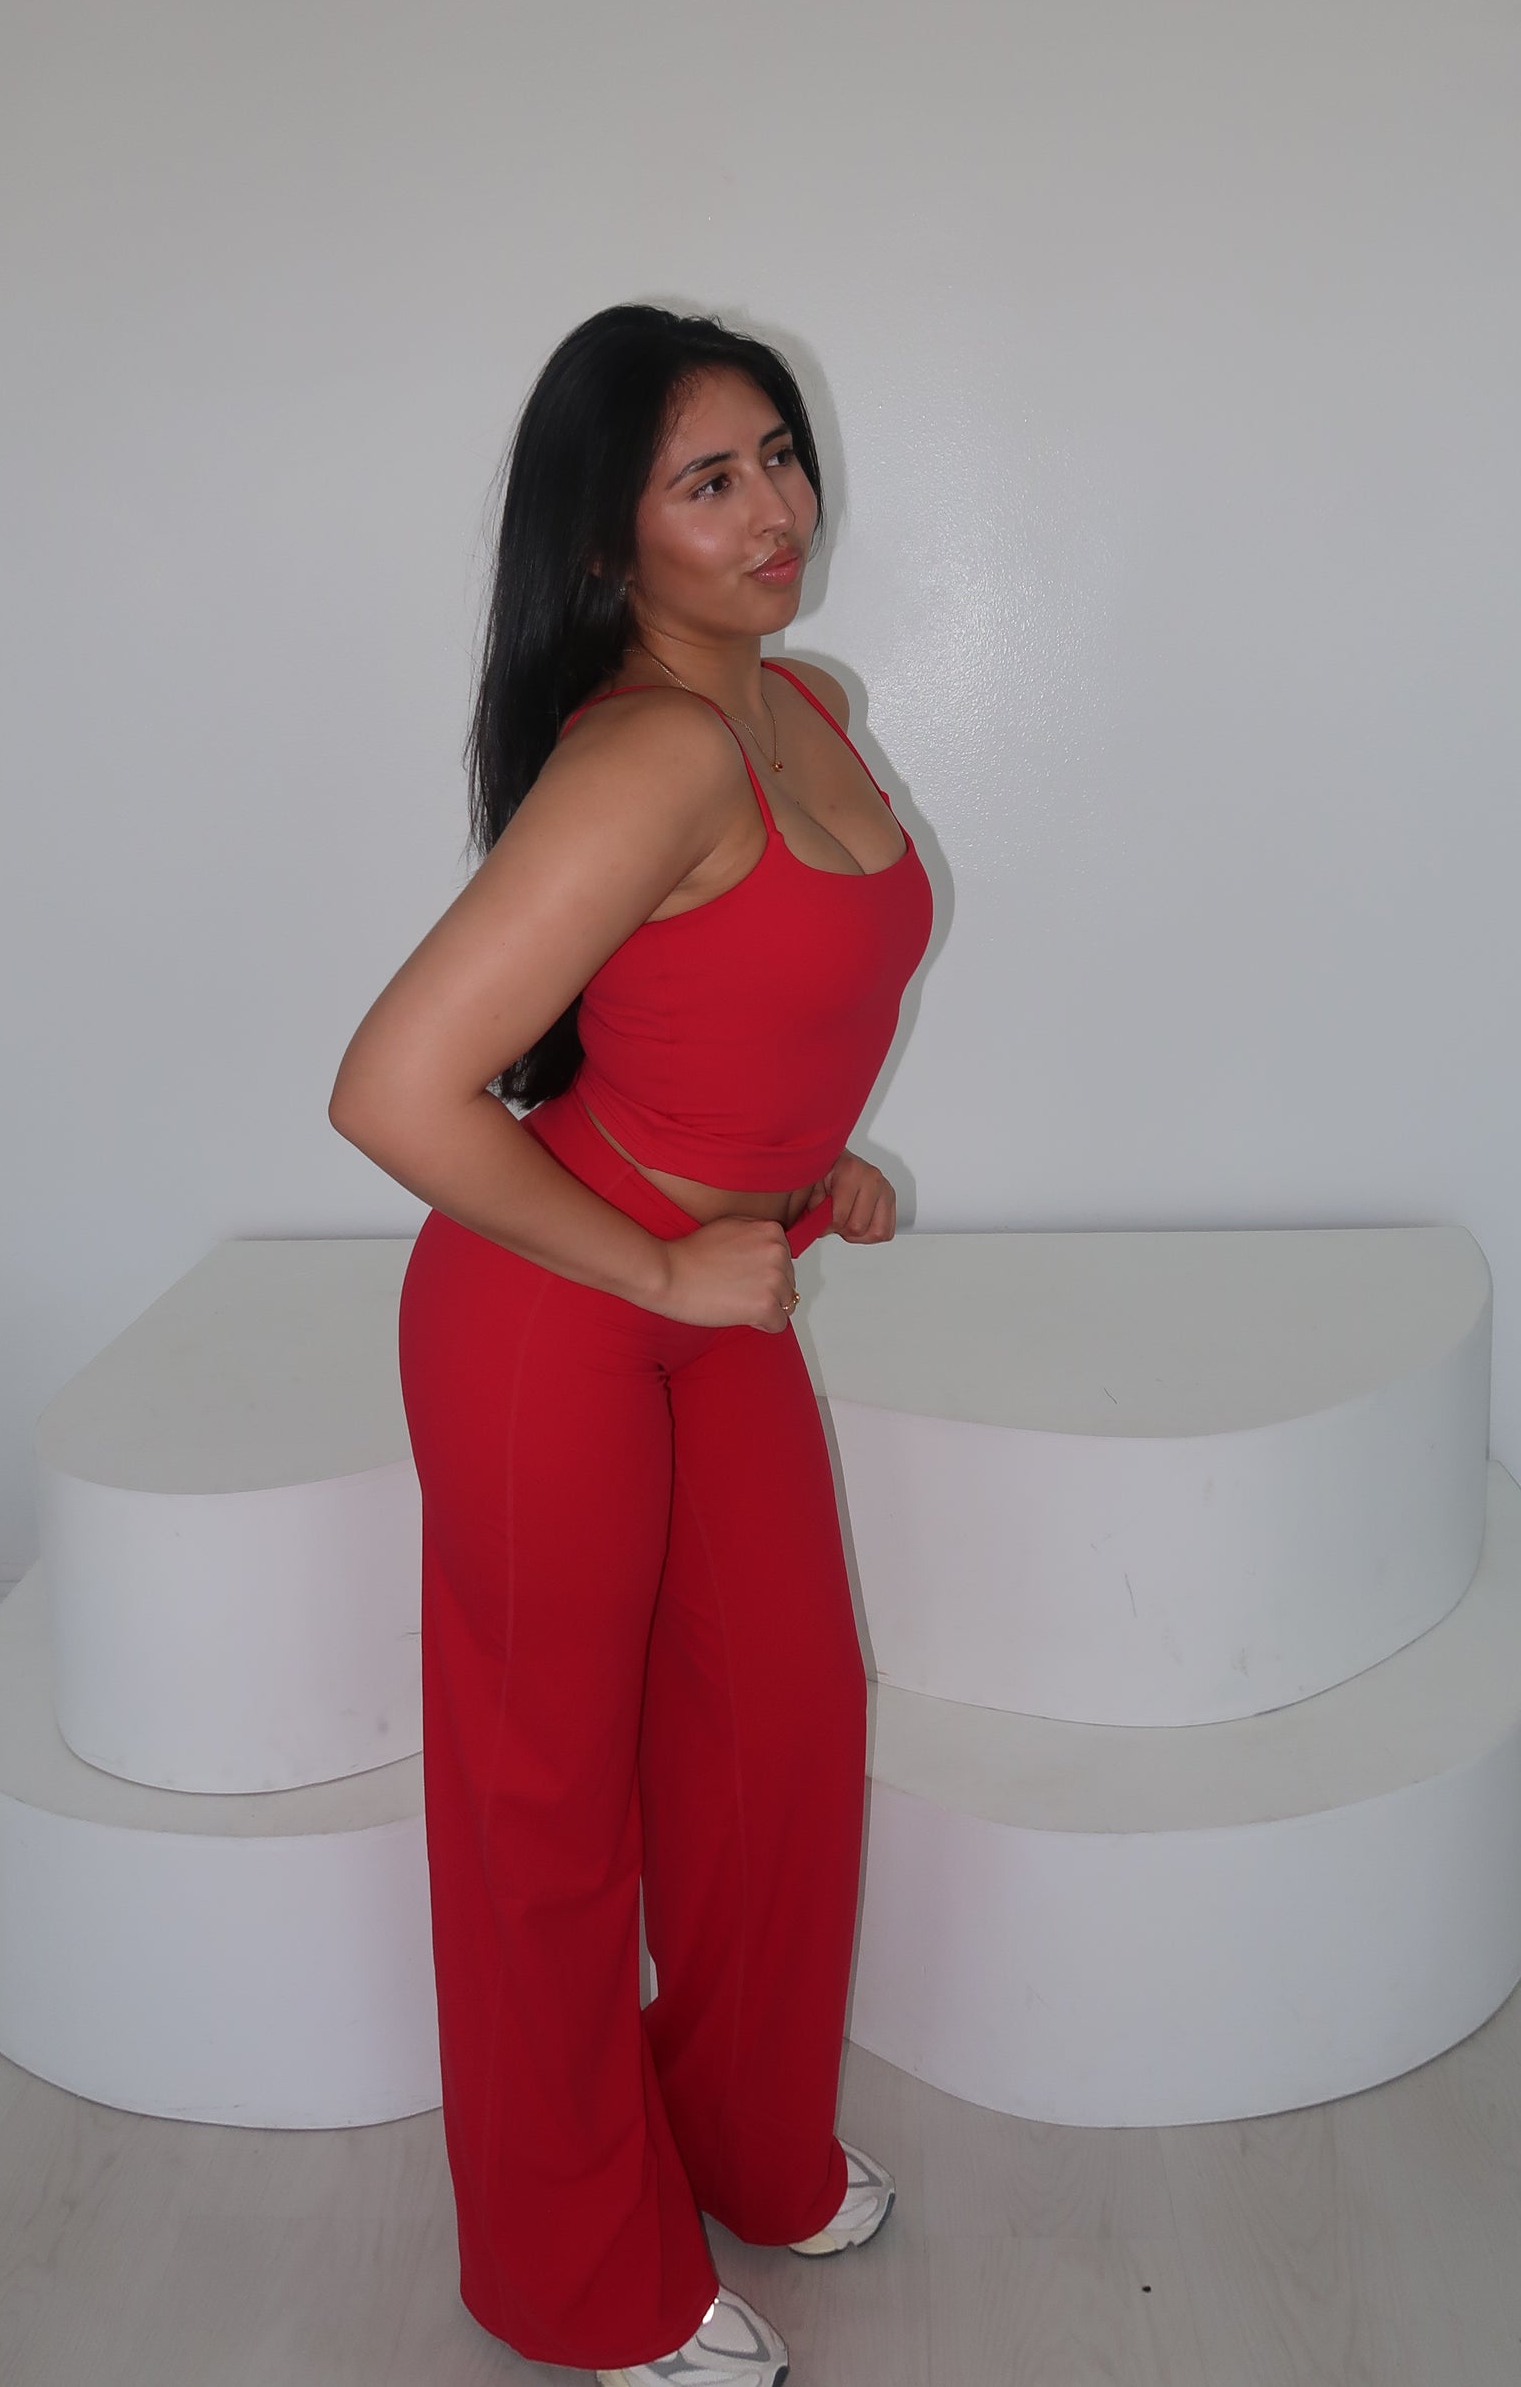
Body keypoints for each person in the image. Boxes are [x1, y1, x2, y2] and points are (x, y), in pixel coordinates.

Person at [329, 303, 934, 2385]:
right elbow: (393, 1089)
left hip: (716, 1286)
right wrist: (668, 1270)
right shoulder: (649, 750)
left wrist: (802, 1164)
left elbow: (734, 999)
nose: (775, 507)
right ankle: (581, 2278)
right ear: (607, 541)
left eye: (779, 455)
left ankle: (745, 2140)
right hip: (550, 1319)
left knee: (780, 1740)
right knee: (550, 1807)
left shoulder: (800, 706)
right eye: (709, 479)